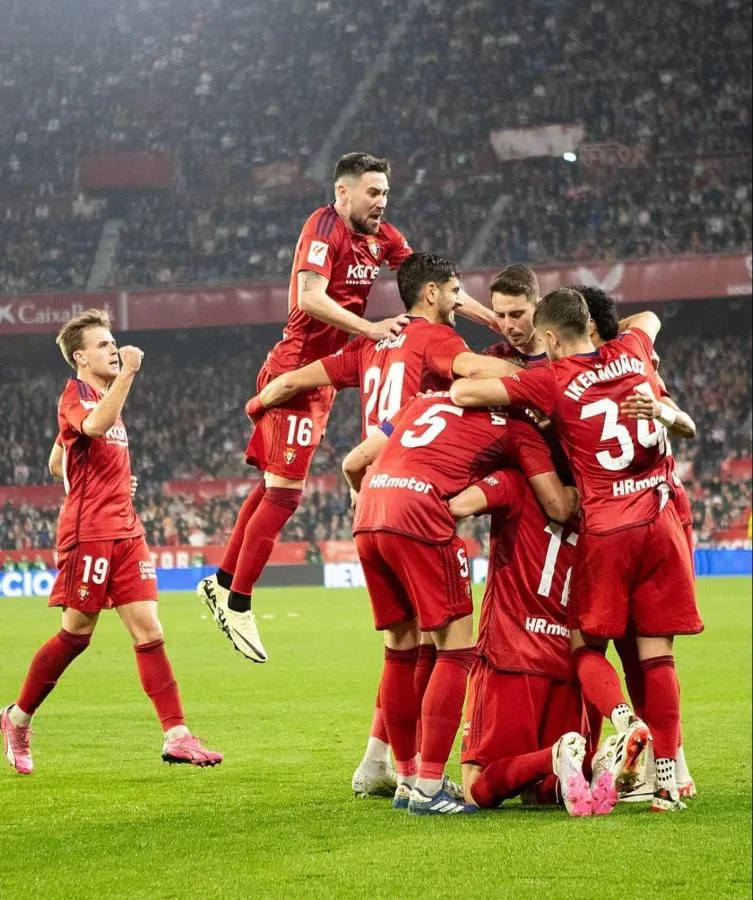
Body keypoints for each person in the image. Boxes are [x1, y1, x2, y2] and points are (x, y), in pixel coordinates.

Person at [247, 252, 528, 799]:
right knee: (443, 642)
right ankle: (419, 775)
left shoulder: (368, 345)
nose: (459, 300)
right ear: (430, 293)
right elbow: (472, 375)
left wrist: (259, 404)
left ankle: (386, 763)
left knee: (403, 642)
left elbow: (292, 382)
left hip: (375, 484)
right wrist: (544, 377)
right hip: (423, 476)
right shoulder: (438, 342)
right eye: (453, 291)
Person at [198, 154, 499, 663]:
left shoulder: (382, 238)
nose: (381, 202)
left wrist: (493, 320)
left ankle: (224, 580)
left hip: (323, 377)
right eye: (372, 193)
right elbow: (309, 296)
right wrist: (369, 328)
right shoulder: (324, 225)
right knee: (286, 495)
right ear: (343, 194)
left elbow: (433, 281)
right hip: (299, 364)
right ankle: (239, 602)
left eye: (385, 193)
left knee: (274, 488)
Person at [450, 288, 703, 812]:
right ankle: (669, 782)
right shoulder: (631, 350)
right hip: (661, 519)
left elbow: (466, 395)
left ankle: (623, 720)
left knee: (585, 647)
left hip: (608, 526)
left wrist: (509, 387)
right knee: (658, 657)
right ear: (591, 324)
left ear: (547, 337)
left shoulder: (552, 380)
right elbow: (650, 316)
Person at [1, 309, 222, 775]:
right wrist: (132, 373)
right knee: (76, 636)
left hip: (126, 530)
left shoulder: (101, 399)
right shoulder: (76, 396)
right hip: (90, 535)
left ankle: (176, 734)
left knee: (150, 629)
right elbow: (93, 429)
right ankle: (16, 718)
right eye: (104, 345)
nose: (115, 349)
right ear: (80, 357)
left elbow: (56, 461)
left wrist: (108, 480)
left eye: (114, 342)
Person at [341, 392, 577, 814]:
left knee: (400, 647)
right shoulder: (519, 427)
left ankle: (407, 778)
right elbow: (556, 504)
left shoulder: (423, 402)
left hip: (371, 508)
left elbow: (352, 463)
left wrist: (372, 498)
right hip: (419, 509)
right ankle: (429, 787)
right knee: (455, 646)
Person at [449, 470, 598, 816]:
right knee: (537, 791)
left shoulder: (514, 482)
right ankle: (590, 765)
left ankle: (554, 756)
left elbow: (454, 506)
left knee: (474, 789)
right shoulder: (592, 496)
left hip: (511, 654)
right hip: (565, 661)